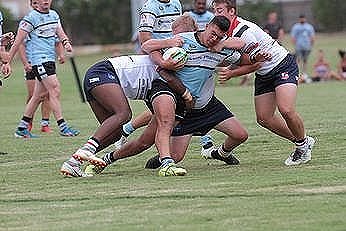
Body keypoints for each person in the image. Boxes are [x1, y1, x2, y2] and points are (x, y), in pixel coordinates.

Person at [84, 15, 271, 177]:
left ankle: (210, 154)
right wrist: (165, 59)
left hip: (202, 104)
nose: (214, 39)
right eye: (213, 34)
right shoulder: (182, 41)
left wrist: (253, 56)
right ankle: (142, 162)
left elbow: (241, 51)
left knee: (240, 134)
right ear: (207, 26)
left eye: (219, 37)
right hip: (175, 97)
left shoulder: (220, 49)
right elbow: (149, 46)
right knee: (154, 134)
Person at [60, 14, 197, 177]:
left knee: (115, 133)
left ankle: (73, 163)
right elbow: (149, 49)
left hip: (96, 77)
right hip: (104, 72)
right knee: (124, 114)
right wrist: (186, 95)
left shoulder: (165, 80)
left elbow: (152, 122)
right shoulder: (165, 55)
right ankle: (87, 150)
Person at [211, 0, 315, 166]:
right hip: (264, 74)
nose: (216, 14)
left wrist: (232, 72)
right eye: (214, 11)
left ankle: (302, 148)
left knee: (286, 109)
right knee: (264, 118)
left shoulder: (242, 31)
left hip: (282, 65)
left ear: (232, 12)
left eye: (220, 10)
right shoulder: (225, 31)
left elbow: (257, 62)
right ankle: (302, 141)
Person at [1, 0, 79, 138]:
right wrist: (8, 62)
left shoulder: (54, 15)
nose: (45, 2)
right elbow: (18, 41)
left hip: (49, 60)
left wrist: (66, 43)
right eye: (41, 0)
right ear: (34, 3)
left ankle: (22, 128)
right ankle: (63, 127)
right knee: (55, 89)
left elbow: (60, 33)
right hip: (39, 61)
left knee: (38, 96)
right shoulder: (30, 19)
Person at [114, 0, 183, 149]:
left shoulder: (176, 3)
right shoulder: (150, 7)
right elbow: (145, 42)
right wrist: (163, 61)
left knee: (164, 108)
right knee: (166, 106)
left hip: (173, 61)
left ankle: (126, 130)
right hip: (156, 63)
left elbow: (179, 32)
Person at [18, 0, 67, 133]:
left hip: (46, 61)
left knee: (44, 94)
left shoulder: (50, 18)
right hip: (34, 62)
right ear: (31, 4)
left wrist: (62, 53)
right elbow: (20, 44)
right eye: (34, 2)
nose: (37, 4)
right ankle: (29, 124)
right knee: (37, 94)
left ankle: (43, 123)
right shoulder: (30, 21)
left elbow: (57, 39)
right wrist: (25, 63)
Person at [290, 14, 315, 78]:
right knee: (298, 60)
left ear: (305, 19)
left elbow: (312, 36)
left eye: (303, 18)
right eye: (301, 18)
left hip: (307, 46)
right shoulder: (296, 27)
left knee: (305, 60)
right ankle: (298, 73)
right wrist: (295, 45)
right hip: (299, 46)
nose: (302, 19)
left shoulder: (309, 27)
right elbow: (293, 37)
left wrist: (311, 44)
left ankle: (304, 73)